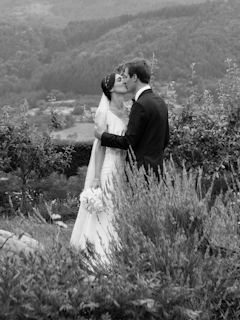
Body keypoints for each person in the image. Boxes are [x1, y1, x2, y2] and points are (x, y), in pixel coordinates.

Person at [69, 72, 129, 259]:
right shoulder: (104, 112)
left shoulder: (128, 110)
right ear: (110, 88)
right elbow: (99, 147)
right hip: (109, 167)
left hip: (124, 166)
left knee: (119, 207)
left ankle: (118, 248)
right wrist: (96, 177)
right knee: (106, 208)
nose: (124, 81)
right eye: (119, 80)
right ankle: (99, 252)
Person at [94, 58, 169, 176]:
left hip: (140, 172)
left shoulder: (140, 105)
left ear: (134, 78)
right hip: (157, 169)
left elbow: (129, 142)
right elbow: (165, 139)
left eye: (126, 77)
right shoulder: (160, 102)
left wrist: (103, 136)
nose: (124, 82)